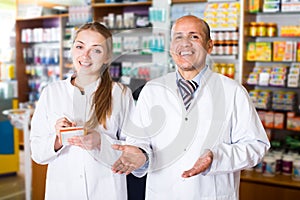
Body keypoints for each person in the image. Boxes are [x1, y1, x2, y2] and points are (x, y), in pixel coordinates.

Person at [120, 15, 271, 199]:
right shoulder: (152, 90)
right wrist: (139, 154)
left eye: (194, 37)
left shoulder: (233, 92)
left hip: (211, 194)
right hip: (164, 193)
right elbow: (138, 140)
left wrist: (216, 157)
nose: (185, 44)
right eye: (178, 37)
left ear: (209, 46)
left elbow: (256, 145)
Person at [30, 21, 149, 200]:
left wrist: (100, 142)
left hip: (107, 191)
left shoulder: (120, 94)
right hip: (63, 192)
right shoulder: (52, 92)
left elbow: (133, 151)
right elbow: (38, 154)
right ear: (72, 49)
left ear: (107, 57)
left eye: (96, 50)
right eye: (80, 46)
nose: (85, 55)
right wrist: (58, 139)